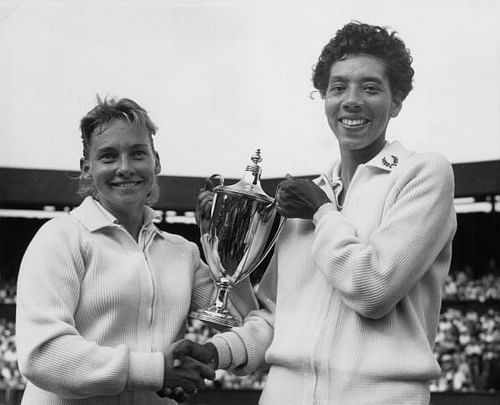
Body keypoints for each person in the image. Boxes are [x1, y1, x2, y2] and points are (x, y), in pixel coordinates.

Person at [174, 21, 457, 404]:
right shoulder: (310, 195)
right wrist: (218, 351)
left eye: (370, 88)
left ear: (397, 101)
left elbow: (374, 290)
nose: (351, 100)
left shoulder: (422, 173)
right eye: (338, 87)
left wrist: (323, 213)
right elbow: (276, 320)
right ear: (324, 97)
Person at [15, 96, 255, 404]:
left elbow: (252, 325)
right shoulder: (60, 238)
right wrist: (155, 370)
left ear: (156, 161)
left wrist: (225, 248)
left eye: (137, 154)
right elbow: (42, 356)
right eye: (108, 157)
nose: (125, 168)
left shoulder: (183, 253)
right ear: (86, 168)